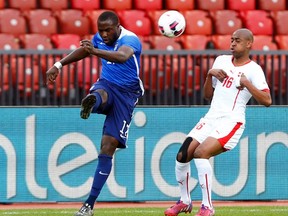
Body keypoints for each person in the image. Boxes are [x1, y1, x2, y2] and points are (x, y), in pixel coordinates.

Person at [164, 28, 272, 216]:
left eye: (237, 41)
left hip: (232, 122)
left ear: (248, 44)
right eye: (231, 40)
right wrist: (209, 75)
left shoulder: (254, 70)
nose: (232, 44)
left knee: (200, 153)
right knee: (182, 156)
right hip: (211, 118)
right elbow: (207, 96)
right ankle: (184, 201)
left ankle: (207, 207)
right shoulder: (221, 60)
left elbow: (267, 100)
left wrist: (247, 83)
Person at [46, 11, 144, 216]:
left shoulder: (130, 39)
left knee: (108, 147)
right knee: (100, 93)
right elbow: (85, 51)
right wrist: (59, 64)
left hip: (127, 95)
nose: (104, 34)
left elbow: (122, 56)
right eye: (101, 31)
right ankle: (93, 102)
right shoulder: (99, 38)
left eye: (108, 30)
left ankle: (89, 204)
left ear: (118, 26)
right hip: (107, 84)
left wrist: (95, 51)